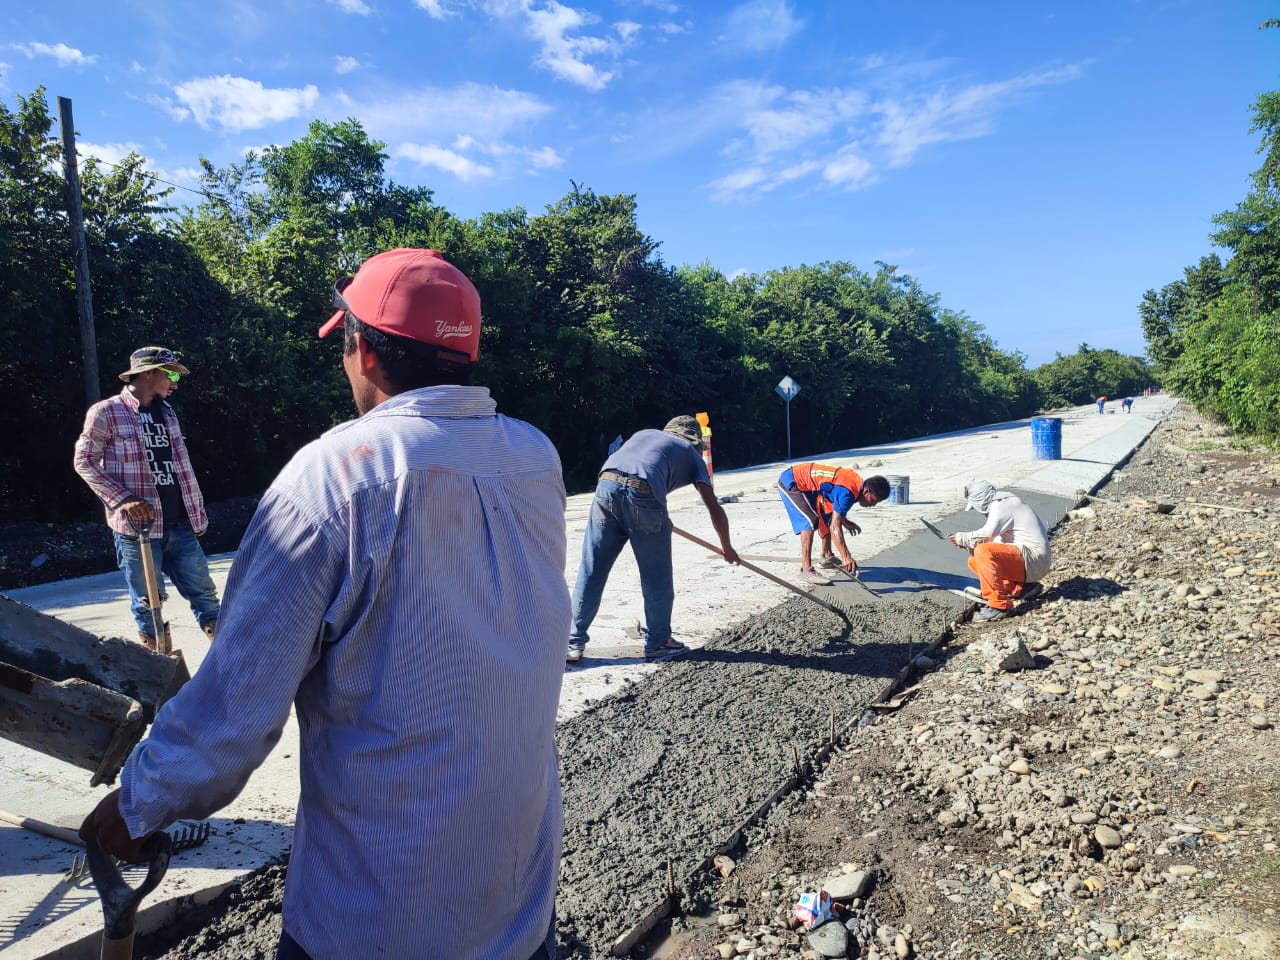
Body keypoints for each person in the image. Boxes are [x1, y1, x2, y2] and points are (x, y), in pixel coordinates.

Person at [80, 249, 569, 960]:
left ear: (362, 350)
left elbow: (234, 715)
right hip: (519, 903)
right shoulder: (534, 457)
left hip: (374, 920)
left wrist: (137, 804)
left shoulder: (335, 478)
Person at [73, 346, 220, 648]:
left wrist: (197, 514)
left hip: (180, 524)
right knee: (147, 603)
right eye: (170, 374)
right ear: (148, 373)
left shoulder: (168, 413)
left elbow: (180, 466)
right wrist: (122, 499)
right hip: (138, 530)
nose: (175, 382)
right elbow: (84, 460)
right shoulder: (106, 412)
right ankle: (161, 668)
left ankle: (230, 659)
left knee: (205, 595)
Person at [567, 416, 739, 664]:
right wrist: (727, 548)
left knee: (592, 570)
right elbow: (714, 509)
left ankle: (573, 643)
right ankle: (659, 643)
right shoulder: (691, 454)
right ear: (694, 441)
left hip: (606, 487)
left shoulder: (644, 433)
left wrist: (655, 512)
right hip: (645, 494)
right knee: (656, 577)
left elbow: (630, 472)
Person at [949, 479, 1051, 623]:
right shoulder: (1004, 502)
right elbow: (995, 544)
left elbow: (987, 534)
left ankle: (999, 606)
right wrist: (970, 545)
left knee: (983, 552)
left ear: (979, 501)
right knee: (974, 560)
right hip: (1031, 561)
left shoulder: (1003, 505)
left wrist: (963, 538)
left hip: (1034, 560)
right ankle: (1021, 588)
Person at [777, 463, 889, 583]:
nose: (872, 505)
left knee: (828, 515)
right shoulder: (848, 492)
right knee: (810, 520)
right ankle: (805, 570)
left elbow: (836, 511)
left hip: (810, 488)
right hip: (792, 483)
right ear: (867, 491)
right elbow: (835, 526)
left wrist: (844, 521)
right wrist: (846, 557)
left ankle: (827, 556)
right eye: (872, 500)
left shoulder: (856, 485)